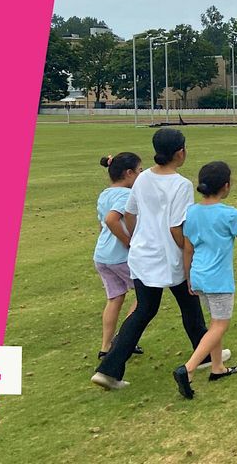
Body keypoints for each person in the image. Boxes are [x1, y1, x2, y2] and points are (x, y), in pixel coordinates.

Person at [91, 129, 226, 390]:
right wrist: (188, 251)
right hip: (168, 256)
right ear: (180, 153)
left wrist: (139, 237)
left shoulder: (142, 179)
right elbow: (176, 227)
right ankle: (205, 355)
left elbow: (130, 213)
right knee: (188, 301)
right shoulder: (181, 184)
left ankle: (109, 369)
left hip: (142, 255)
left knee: (147, 309)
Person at [172, 161, 237, 399]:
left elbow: (188, 249)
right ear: (226, 186)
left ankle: (217, 367)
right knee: (220, 325)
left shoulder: (191, 212)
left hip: (199, 276)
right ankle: (188, 369)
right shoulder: (230, 214)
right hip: (218, 280)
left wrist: (188, 276)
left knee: (215, 322)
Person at [93, 152, 145, 359]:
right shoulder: (126, 195)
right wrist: (128, 242)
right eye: (140, 171)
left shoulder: (105, 194)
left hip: (102, 255)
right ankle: (125, 339)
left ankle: (105, 347)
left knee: (115, 298)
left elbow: (102, 224)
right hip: (120, 256)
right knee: (145, 297)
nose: (141, 175)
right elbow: (111, 219)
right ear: (129, 173)